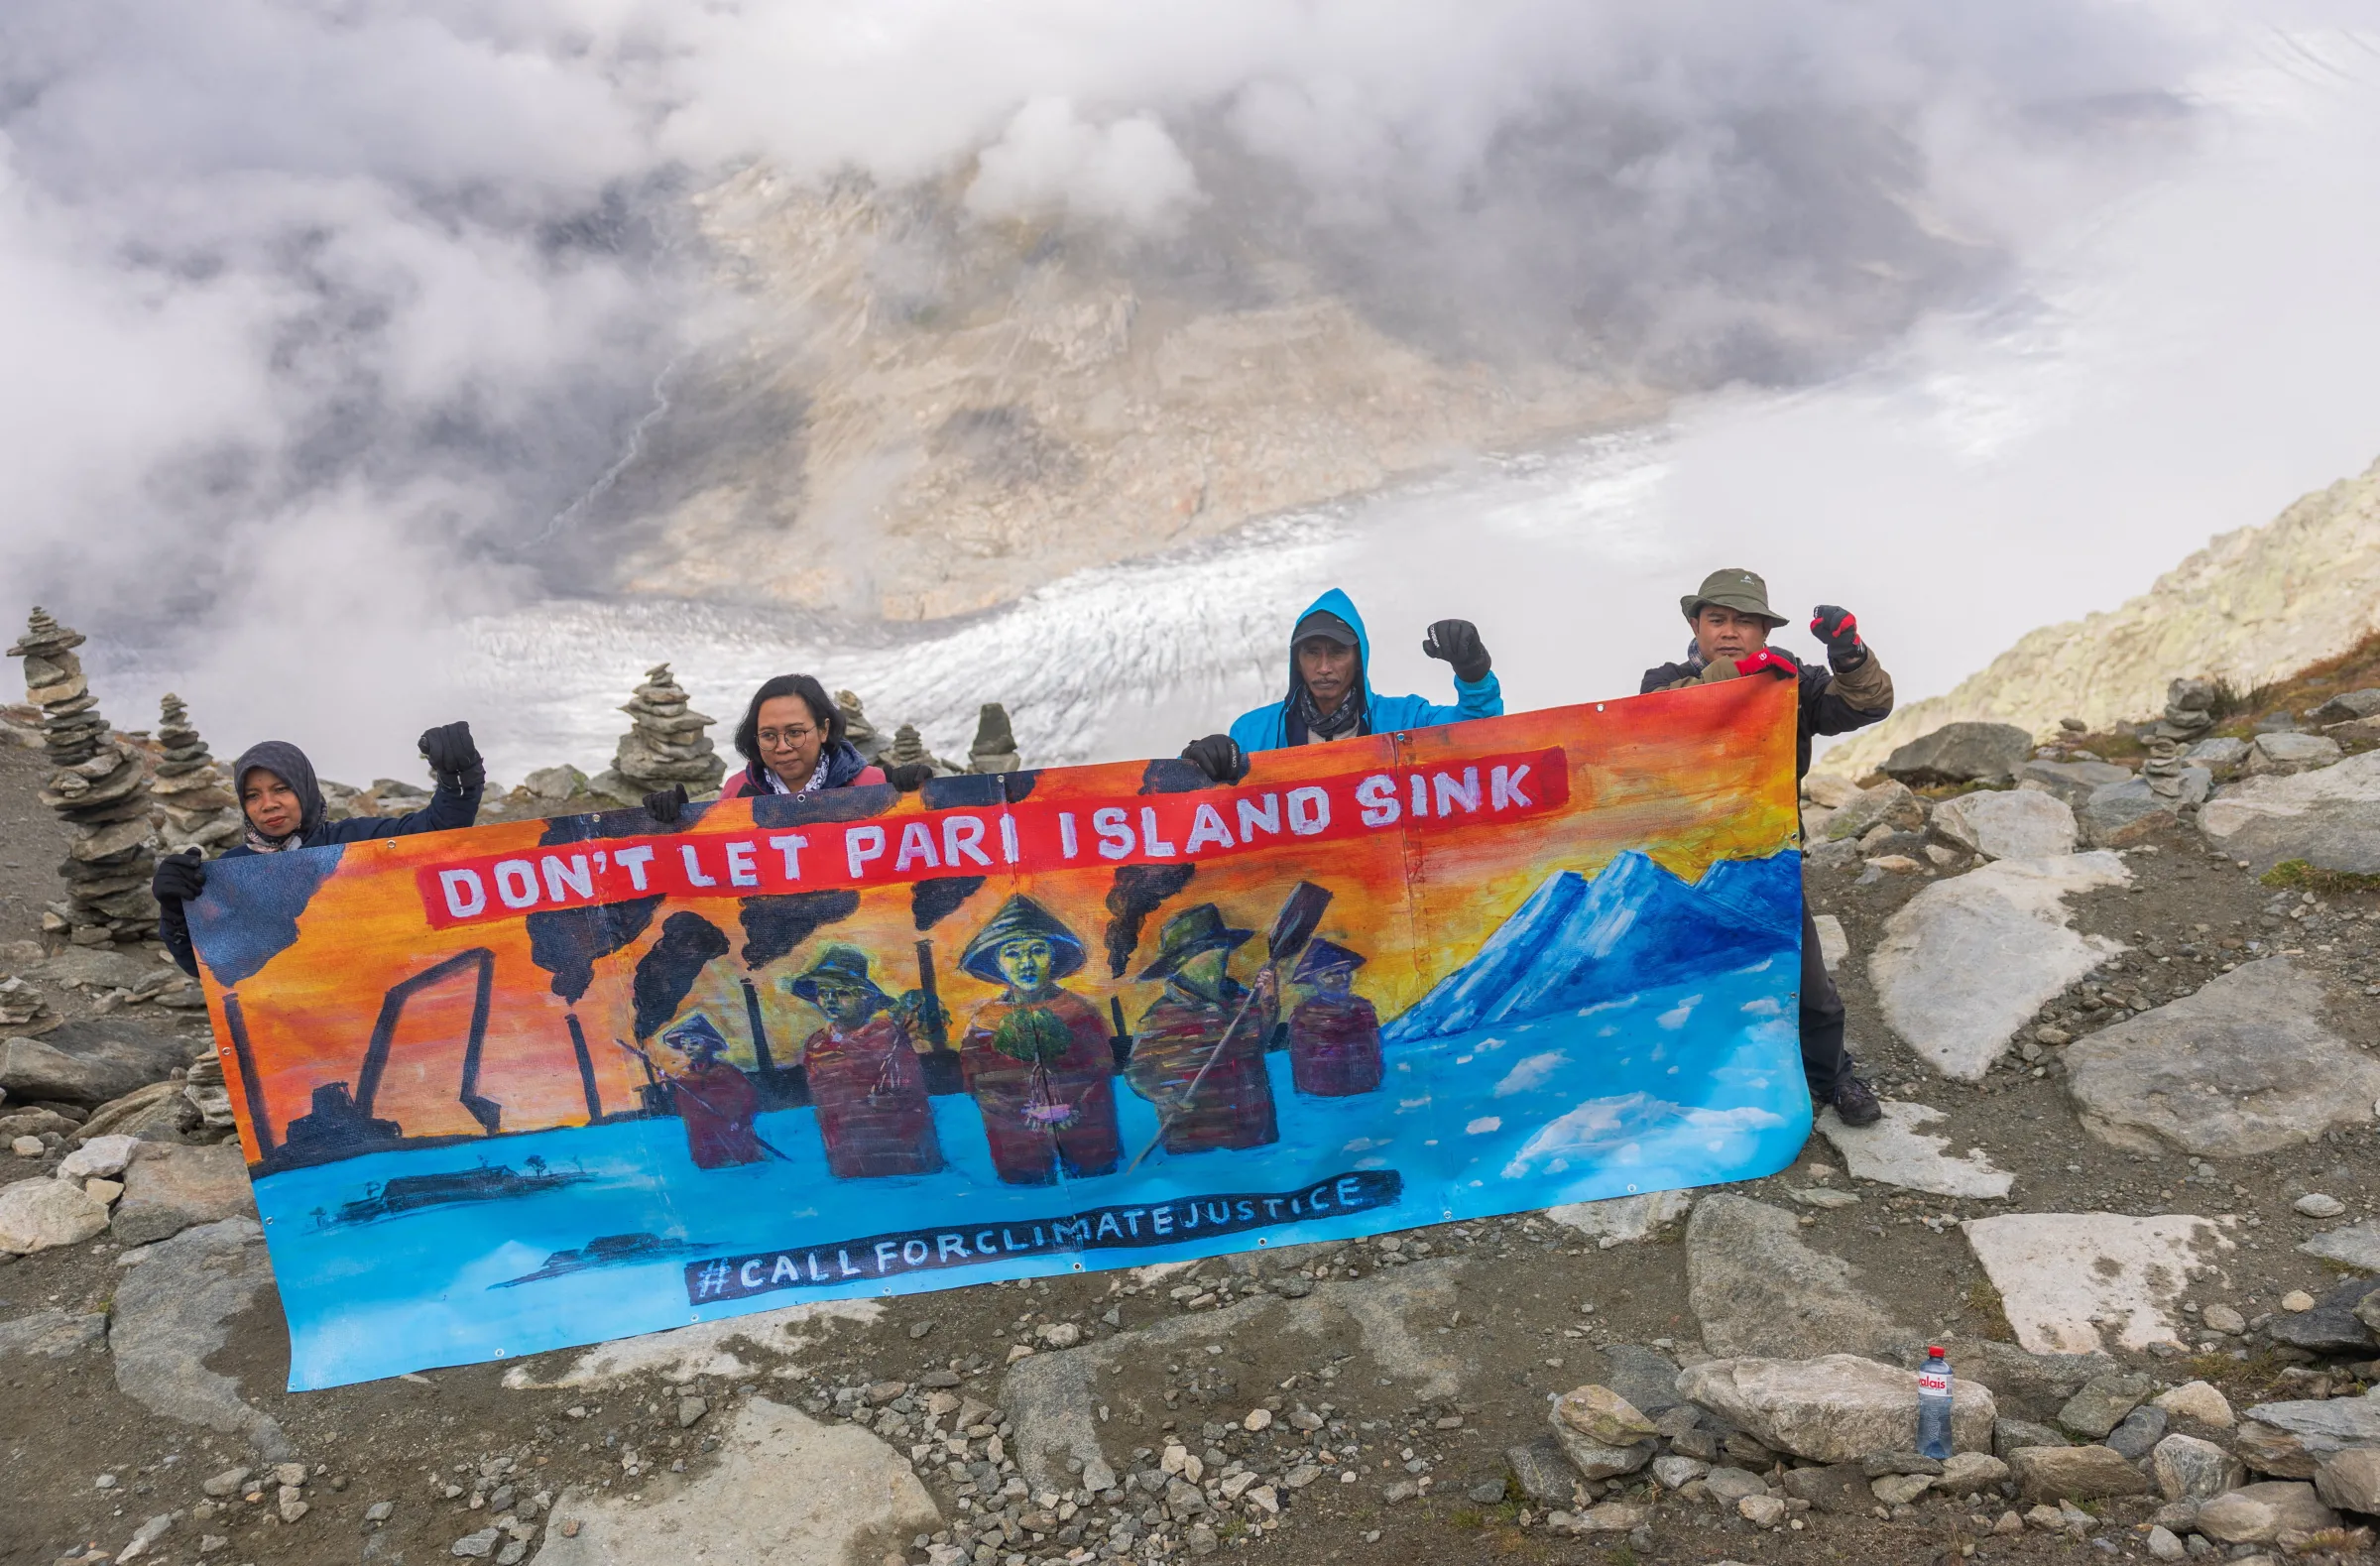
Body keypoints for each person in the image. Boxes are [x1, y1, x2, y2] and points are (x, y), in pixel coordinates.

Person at [1639, 568, 1894, 1129]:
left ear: (1763, 629)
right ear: (1695, 625)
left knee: (1811, 991)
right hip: (1689, 865)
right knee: (1694, 986)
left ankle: (1834, 1078)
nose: (1731, 633)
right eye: (1718, 620)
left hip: (1770, 860)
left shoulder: (1791, 681)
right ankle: (1701, 1089)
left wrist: (1849, 656)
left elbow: (1866, 706)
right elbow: (1665, 714)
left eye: (1745, 623)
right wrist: (1741, 676)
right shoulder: (1665, 679)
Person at [152, 725, 485, 978]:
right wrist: (176, 910)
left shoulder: (355, 842)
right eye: (253, 795)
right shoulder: (233, 871)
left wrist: (460, 780)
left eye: (281, 789)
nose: (268, 804)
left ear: (305, 790)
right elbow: (207, 967)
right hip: (295, 1039)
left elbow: (438, 831)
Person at [1177, 588, 1500, 781]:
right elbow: (1195, 810)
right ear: (1296, 660)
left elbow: (1476, 737)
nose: (1324, 667)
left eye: (1337, 652)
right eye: (1311, 652)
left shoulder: (1407, 720)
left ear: (1358, 657)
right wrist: (1197, 763)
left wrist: (1473, 672)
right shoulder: (1252, 732)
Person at [955, 896, 1123, 1184]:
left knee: (1096, 1185)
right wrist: (1022, 1113)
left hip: (1087, 1139)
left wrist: (1075, 1108)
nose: (1026, 963)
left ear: (1053, 956)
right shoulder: (985, 1021)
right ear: (997, 963)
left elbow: (1100, 1071)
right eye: (1013, 953)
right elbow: (979, 1084)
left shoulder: (1080, 1013)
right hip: (1019, 1145)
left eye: (1037, 950)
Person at [1126, 904, 1280, 1155]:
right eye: (1205, 949)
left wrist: (1269, 1000)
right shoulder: (1159, 1016)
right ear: (1179, 962)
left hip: (1254, 1133)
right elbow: (1138, 1073)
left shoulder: (1243, 1000)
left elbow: (1258, 1043)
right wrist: (1167, 1096)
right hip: (1196, 1138)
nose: (1219, 954)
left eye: (1221, 945)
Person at [645, 673, 896, 821]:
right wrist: (677, 824)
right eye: (768, 735)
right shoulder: (736, 791)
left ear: (823, 730)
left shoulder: (873, 785)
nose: (782, 747)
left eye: (795, 733)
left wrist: (920, 797)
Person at [785, 944, 942, 1179]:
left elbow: (906, 1094)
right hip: (845, 1156)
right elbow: (821, 1097)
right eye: (824, 992)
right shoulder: (816, 1045)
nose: (830, 1000)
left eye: (842, 992)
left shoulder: (888, 1036)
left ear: (865, 996)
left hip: (899, 1154)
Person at [655, 1014, 768, 1168]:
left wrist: (739, 1119)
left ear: (708, 1044)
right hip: (704, 1147)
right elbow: (683, 1107)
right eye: (684, 1044)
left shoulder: (726, 1072)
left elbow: (749, 1098)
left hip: (735, 1140)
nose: (688, 1048)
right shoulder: (684, 1078)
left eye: (694, 1043)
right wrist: (668, 1086)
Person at [1284, 938, 1383, 1097]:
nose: (1344, 978)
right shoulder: (1303, 1016)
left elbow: (1376, 1051)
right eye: (1333, 973)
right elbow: (1301, 1064)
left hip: (1369, 1093)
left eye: (1345, 971)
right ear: (1314, 980)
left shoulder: (1364, 1008)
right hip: (1323, 1099)